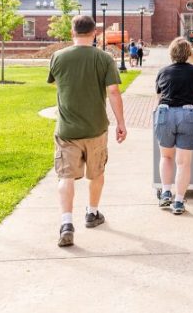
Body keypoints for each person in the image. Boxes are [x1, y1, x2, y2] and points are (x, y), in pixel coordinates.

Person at [48, 15, 127, 247]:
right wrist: (121, 123)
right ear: (94, 33)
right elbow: (113, 92)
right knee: (97, 173)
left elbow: (57, 83)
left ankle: (66, 223)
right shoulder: (104, 58)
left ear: (72, 32)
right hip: (96, 128)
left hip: (67, 130)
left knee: (65, 176)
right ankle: (92, 213)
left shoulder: (57, 57)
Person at [155, 37, 193, 215]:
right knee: (183, 163)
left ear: (171, 53)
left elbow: (158, 98)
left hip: (165, 112)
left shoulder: (163, 71)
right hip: (188, 114)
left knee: (166, 157)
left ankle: (166, 192)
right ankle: (179, 201)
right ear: (188, 53)